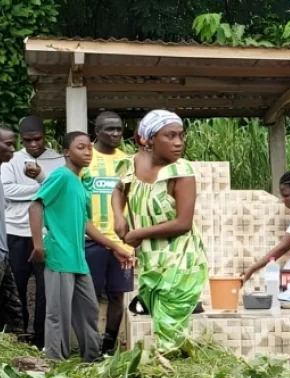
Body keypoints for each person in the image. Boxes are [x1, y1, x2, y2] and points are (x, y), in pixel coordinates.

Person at [29, 132, 132, 362]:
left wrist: (114, 246)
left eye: (89, 148)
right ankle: (56, 362)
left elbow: (86, 224)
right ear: (67, 152)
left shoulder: (79, 182)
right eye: (80, 147)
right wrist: (38, 245)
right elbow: (35, 206)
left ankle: (92, 359)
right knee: (58, 313)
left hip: (78, 258)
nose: (87, 152)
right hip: (58, 254)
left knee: (89, 310)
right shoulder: (62, 176)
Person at [112, 110, 208, 352]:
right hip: (152, 263)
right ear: (149, 139)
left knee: (169, 335)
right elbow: (118, 189)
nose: (178, 142)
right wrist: (118, 216)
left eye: (181, 136)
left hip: (181, 263)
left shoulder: (181, 171)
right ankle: (176, 374)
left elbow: (183, 223)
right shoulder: (131, 164)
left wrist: (138, 234)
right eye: (170, 136)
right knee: (164, 331)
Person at [1, 116, 65, 347]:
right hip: (15, 231)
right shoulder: (11, 158)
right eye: (27, 140)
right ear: (21, 139)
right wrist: (42, 188)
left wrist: (42, 183)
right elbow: (8, 190)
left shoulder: (57, 159)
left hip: (46, 234)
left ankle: (41, 339)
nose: (33, 144)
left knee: (44, 290)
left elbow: (60, 191)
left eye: (37, 139)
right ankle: (17, 339)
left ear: (44, 136)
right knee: (15, 287)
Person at [83, 111, 134, 354]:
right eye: (109, 130)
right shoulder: (85, 158)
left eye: (119, 130)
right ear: (97, 131)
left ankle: (107, 349)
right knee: (89, 296)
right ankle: (89, 347)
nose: (115, 134)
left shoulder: (128, 161)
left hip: (122, 244)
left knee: (117, 296)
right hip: (90, 240)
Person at [0, 126, 25, 335]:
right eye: (8, 144)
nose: (13, 149)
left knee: (13, 310)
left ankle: (13, 355)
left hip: (3, 252)